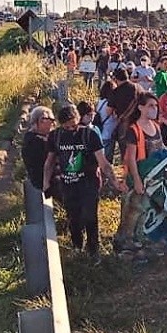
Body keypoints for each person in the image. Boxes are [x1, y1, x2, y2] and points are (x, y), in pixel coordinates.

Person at [43, 105, 127, 265]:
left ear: (78, 120)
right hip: (68, 184)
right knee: (73, 218)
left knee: (90, 216)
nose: (70, 129)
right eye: (66, 127)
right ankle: (77, 247)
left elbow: (103, 162)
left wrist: (115, 181)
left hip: (89, 183)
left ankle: (94, 250)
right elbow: (49, 162)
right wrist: (45, 183)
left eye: (73, 125)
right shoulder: (56, 137)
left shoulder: (89, 135)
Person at [116, 93, 165, 253]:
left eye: (156, 106)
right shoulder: (134, 130)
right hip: (139, 176)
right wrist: (136, 180)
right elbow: (130, 158)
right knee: (134, 210)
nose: (154, 109)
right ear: (141, 107)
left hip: (153, 177)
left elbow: (160, 149)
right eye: (151, 106)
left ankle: (140, 238)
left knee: (147, 209)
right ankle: (125, 241)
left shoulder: (156, 126)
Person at [106, 68, 142, 158]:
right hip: (140, 123)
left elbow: (108, 111)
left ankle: (127, 169)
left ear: (116, 79)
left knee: (125, 150)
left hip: (125, 123)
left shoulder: (116, 92)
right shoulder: (138, 87)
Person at [22, 106, 55, 190]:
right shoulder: (35, 142)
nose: (52, 124)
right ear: (38, 122)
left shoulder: (33, 138)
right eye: (49, 120)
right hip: (44, 182)